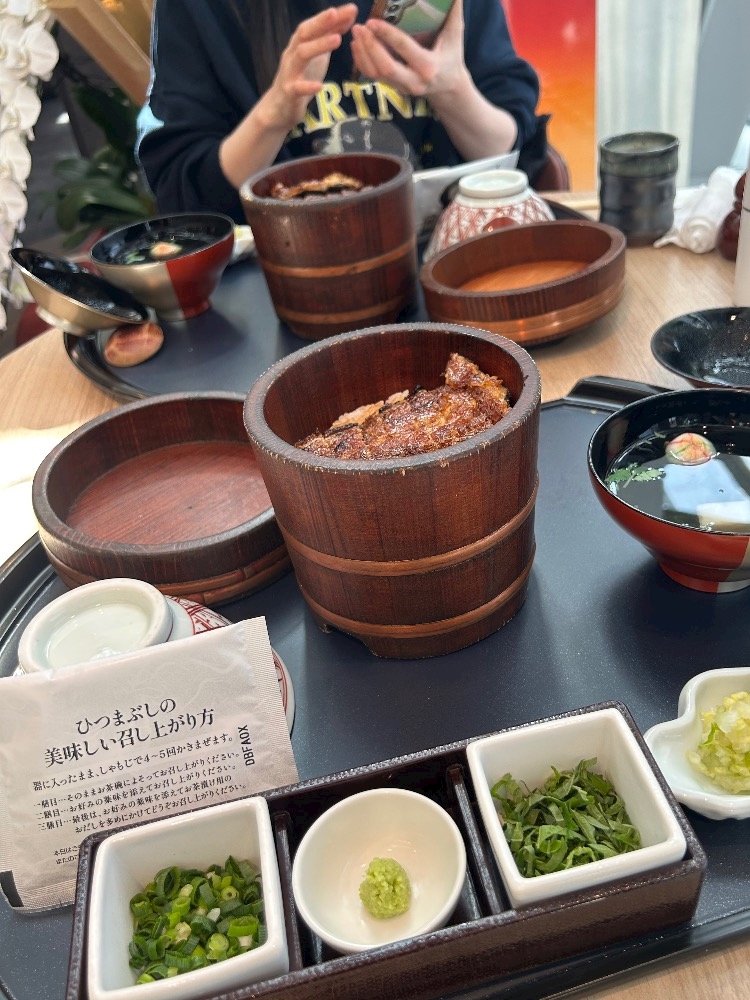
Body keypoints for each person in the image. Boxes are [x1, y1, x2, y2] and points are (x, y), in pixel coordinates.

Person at [137, 0, 546, 224]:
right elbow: (186, 198)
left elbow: (511, 152)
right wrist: (273, 116)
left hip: (451, 255)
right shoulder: (202, 10)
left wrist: (451, 89)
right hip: (282, 285)